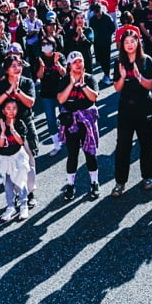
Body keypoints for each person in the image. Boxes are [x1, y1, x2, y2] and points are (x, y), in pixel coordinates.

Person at [0, 54, 39, 208]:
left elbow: (30, 103)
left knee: (29, 160)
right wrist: (8, 91)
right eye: (13, 66)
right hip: (7, 127)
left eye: (19, 65)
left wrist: (17, 91)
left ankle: (30, 193)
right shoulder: (0, 85)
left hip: (25, 124)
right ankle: (18, 194)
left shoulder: (27, 82)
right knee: (12, 162)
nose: (17, 68)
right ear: (6, 70)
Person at [112, 30, 152, 195]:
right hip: (126, 109)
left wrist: (139, 77)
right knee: (123, 145)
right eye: (126, 42)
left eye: (133, 41)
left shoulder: (146, 60)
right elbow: (117, 88)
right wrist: (123, 77)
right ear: (122, 46)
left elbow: (150, 85)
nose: (130, 44)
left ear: (138, 42)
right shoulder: (119, 62)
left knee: (145, 144)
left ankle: (147, 177)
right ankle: (120, 182)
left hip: (144, 107)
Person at [57, 51, 101, 201]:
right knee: (72, 154)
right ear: (69, 65)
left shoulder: (89, 78)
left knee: (90, 153)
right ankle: (70, 184)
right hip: (71, 122)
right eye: (74, 61)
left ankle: (94, 182)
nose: (78, 64)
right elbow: (61, 99)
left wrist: (82, 85)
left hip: (86, 121)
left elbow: (94, 97)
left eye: (80, 61)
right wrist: (71, 83)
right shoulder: (64, 80)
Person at [0, 98, 33, 221]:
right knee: (8, 185)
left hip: (18, 156)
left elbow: (21, 141)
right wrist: (3, 131)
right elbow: (0, 145)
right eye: (8, 108)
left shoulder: (20, 123)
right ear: (3, 111)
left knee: (21, 181)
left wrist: (12, 130)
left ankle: (24, 205)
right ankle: (10, 206)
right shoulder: (0, 124)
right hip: (5, 158)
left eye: (14, 108)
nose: (11, 111)